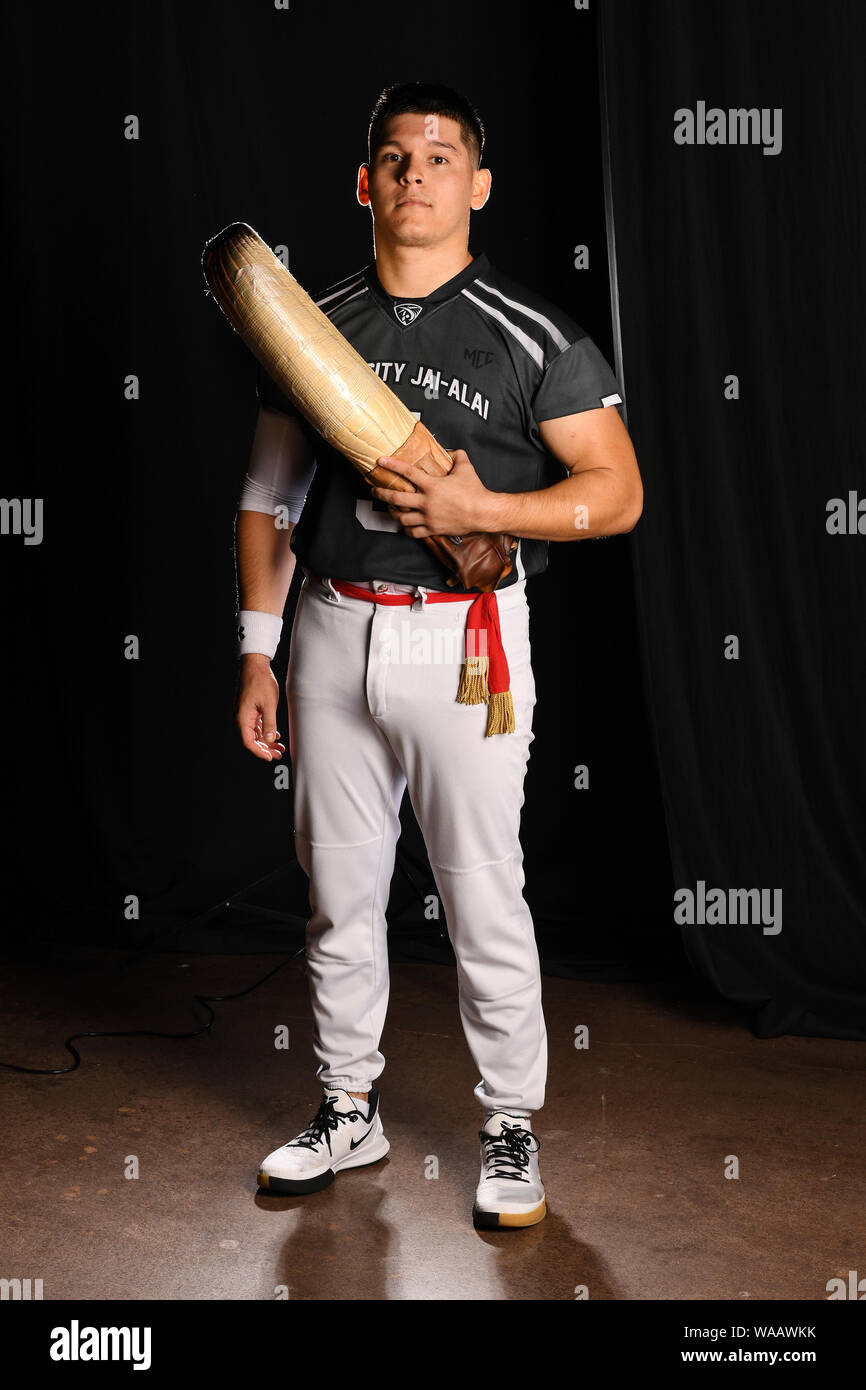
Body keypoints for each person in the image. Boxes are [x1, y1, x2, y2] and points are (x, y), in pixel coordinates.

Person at [233, 81, 642, 1229]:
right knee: (338, 893)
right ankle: (344, 1106)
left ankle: (509, 1124)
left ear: (479, 185)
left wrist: (488, 506)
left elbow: (616, 495)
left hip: (464, 642)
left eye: (442, 157)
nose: (418, 176)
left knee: (481, 892)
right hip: (327, 627)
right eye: (396, 159)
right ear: (365, 183)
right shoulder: (309, 324)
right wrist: (255, 654)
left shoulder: (530, 335)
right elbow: (266, 501)